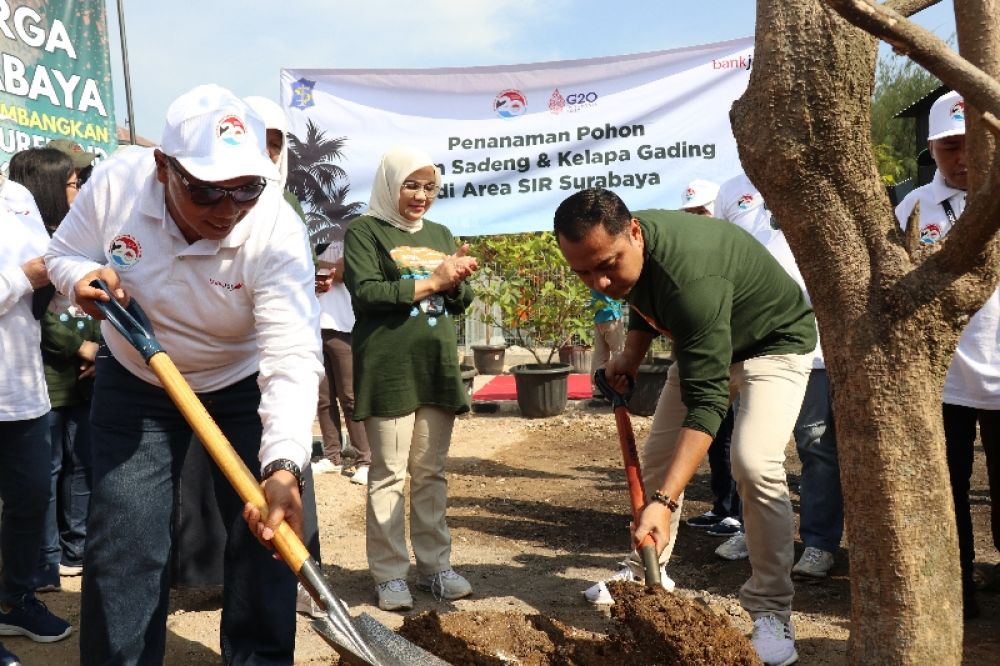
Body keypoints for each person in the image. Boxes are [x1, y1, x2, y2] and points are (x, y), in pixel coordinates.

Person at [44, 84, 323, 665]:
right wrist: (80, 278)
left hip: (241, 382)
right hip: (137, 380)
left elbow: (290, 353)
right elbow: (61, 254)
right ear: (163, 167)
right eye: (206, 192)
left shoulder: (276, 229)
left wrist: (284, 465)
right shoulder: (117, 184)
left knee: (268, 534)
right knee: (126, 538)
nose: (227, 210)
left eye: (245, 189)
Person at [555, 188, 816, 666]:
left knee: (754, 464)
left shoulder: (690, 279)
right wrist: (630, 355)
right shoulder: (630, 248)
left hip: (771, 343)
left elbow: (708, 404)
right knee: (657, 458)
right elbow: (640, 295)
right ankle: (646, 571)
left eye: (608, 264)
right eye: (584, 272)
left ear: (633, 232)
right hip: (707, 341)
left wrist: (664, 501)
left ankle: (772, 611)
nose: (600, 282)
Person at [344, 146, 477, 612]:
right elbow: (367, 292)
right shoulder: (364, 231)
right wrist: (435, 280)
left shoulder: (440, 232)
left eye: (429, 187)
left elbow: (461, 303)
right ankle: (389, 574)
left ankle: (435, 567)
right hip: (388, 369)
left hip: (436, 367)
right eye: (411, 185)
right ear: (389, 184)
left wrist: (457, 280)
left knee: (430, 473)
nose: (421, 195)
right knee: (388, 475)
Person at [895, 90, 998, 619]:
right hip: (941, 379)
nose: (963, 160)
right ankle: (958, 590)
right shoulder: (913, 208)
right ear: (932, 149)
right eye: (951, 147)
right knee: (945, 489)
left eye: (975, 146)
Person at [715, 173, 843, 579]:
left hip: (813, 347)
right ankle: (756, 533)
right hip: (752, 345)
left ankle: (819, 542)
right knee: (749, 447)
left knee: (816, 445)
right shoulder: (732, 190)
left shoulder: (819, 179)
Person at [9, 147, 101, 588]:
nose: (78, 189)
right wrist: (78, 347)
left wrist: (99, 349)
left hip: (56, 387)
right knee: (42, 478)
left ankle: (63, 559)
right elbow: (40, 314)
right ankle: (43, 565)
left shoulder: (58, 226)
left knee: (66, 474)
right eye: (71, 183)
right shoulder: (27, 231)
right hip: (43, 380)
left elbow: (85, 299)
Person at [0, 174, 74, 665]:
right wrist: (25, 276)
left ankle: (15, 601)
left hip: (22, 388)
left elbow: (52, 273)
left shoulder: (17, 197)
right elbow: (30, 274)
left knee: (30, 500)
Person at [314, 241, 373, 485]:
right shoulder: (311, 239)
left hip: (344, 327)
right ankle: (332, 456)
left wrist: (312, 264)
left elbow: (342, 272)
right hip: (314, 325)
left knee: (350, 397)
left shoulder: (350, 238)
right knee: (323, 397)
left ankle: (365, 460)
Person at [589, 288, 625, 398]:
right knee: (619, 353)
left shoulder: (592, 274)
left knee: (600, 355)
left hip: (599, 317)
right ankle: (620, 388)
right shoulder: (608, 274)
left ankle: (598, 391)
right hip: (611, 314)